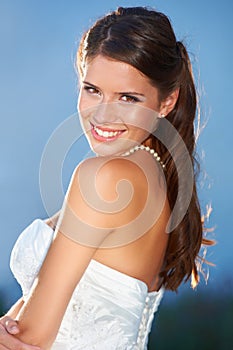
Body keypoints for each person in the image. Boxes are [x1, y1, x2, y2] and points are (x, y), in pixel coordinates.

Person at [0, 6, 213, 350]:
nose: (102, 114)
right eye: (92, 90)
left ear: (166, 101)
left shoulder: (106, 177)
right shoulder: (152, 171)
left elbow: (32, 338)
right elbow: (21, 320)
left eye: (128, 97)